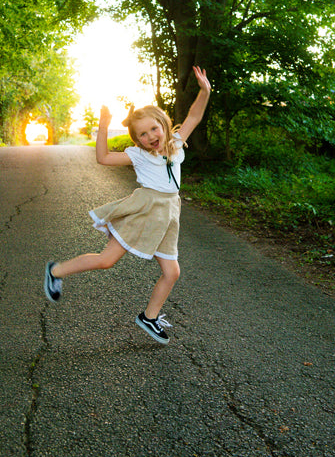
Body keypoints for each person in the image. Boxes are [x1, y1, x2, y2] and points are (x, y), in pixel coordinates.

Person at [44, 65, 211, 345]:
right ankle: (55, 271)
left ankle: (149, 316)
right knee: (106, 260)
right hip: (146, 211)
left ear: (164, 124)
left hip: (170, 213)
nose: (150, 136)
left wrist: (204, 91)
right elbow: (103, 158)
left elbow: (194, 115)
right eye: (142, 134)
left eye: (154, 128)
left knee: (172, 272)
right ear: (137, 140)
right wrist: (104, 126)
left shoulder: (176, 144)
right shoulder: (138, 155)